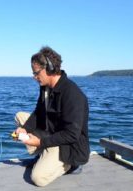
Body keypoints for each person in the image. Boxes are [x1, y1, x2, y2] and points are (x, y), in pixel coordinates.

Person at [13, 46, 90, 187]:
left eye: (36, 73)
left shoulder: (72, 95)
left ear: (49, 68)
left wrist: (40, 142)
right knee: (20, 117)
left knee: (38, 178)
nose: (34, 77)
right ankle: (42, 156)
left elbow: (72, 134)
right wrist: (24, 129)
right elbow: (38, 112)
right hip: (52, 134)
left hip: (69, 146)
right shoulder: (45, 87)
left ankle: (71, 166)